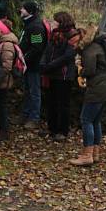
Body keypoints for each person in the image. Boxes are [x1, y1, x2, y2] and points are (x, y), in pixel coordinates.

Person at [69, 26, 106, 166]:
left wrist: (80, 71)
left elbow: (90, 70)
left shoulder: (90, 50)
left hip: (98, 89)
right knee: (95, 121)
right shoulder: (97, 45)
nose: (73, 44)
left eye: (74, 41)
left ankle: (87, 155)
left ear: (81, 37)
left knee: (86, 119)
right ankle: (95, 152)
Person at [40, 12, 81, 141]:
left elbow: (68, 56)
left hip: (63, 75)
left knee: (62, 104)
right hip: (51, 73)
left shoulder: (72, 35)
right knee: (51, 102)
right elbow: (47, 50)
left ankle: (62, 130)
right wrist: (43, 64)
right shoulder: (54, 34)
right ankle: (52, 128)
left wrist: (50, 65)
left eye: (55, 21)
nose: (52, 23)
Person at [18, 2, 47, 128]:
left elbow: (37, 48)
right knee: (28, 91)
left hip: (33, 65)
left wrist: (24, 59)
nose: (21, 10)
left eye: (23, 9)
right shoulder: (28, 24)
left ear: (29, 11)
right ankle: (25, 114)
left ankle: (34, 118)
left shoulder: (36, 27)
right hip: (27, 64)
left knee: (34, 92)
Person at [0, 18, 19, 141]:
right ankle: (2, 130)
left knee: (2, 106)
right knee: (0, 105)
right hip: (1, 79)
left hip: (3, 80)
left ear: (3, 30)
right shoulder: (1, 41)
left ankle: (4, 131)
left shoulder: (7, 44)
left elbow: (6, 66)